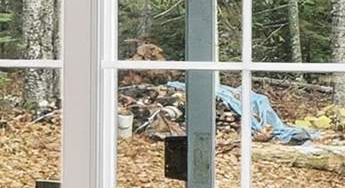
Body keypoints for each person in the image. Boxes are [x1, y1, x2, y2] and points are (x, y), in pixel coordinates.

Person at [128, 40, 318, 144]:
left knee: (255, 100)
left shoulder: (233, 99)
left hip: (223, 98)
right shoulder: (168, 90)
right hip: (178, 102)